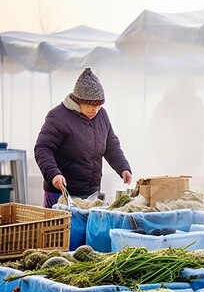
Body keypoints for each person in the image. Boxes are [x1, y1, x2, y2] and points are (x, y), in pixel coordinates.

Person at [34, 68, 132, 208]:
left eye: (98, 106)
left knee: (86, 230)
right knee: (60, 229)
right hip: (62, 192)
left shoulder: (102, 115)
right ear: (79, 101)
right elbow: (43, 149)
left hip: (91, 193)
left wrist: (123, 168)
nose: (95, 110)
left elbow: (111, 146)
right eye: (90, 106)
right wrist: (53, 174)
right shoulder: (58, 117)